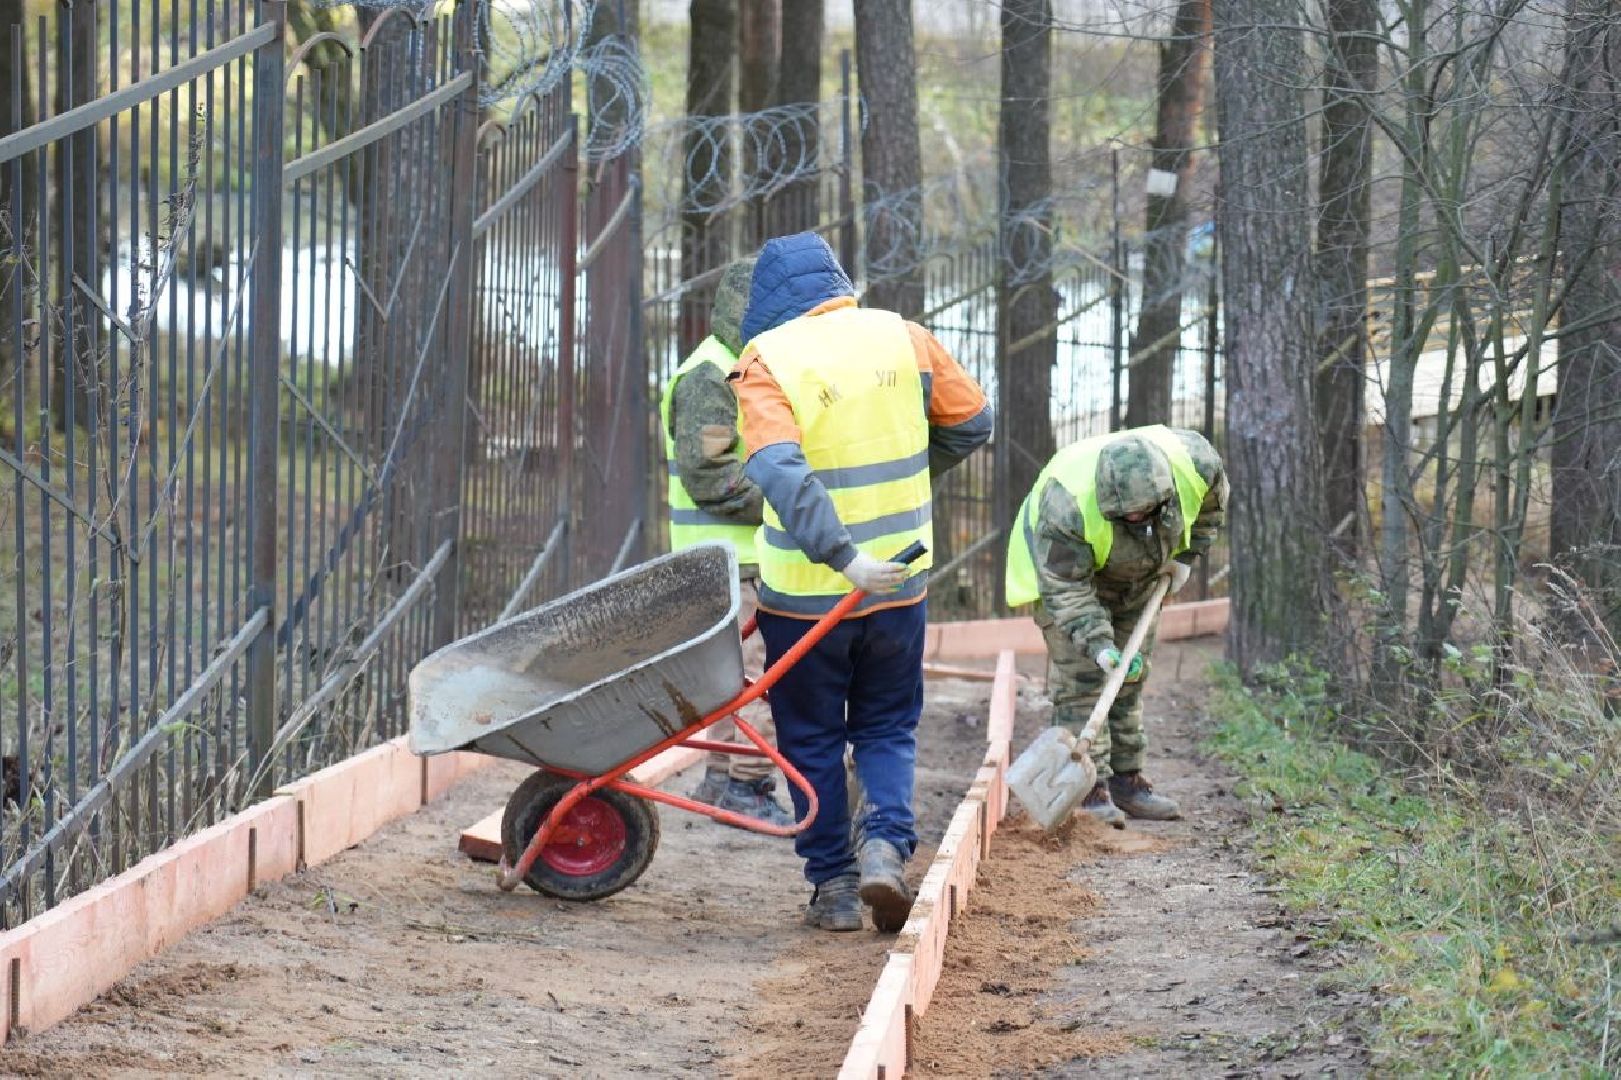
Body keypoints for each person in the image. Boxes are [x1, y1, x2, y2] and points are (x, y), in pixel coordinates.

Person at [730, 232, 993, 932]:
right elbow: (973, 424)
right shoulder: (903, 338)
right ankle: (884, 846)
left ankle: (836, 889)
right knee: (885, 726)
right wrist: (912, 481)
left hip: (804, 598)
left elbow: (778, 468)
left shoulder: (766, 360)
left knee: (811, 737)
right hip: (897, 588)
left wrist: (839, 554)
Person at [1004, 425, 1227, 826]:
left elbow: (1211, 508)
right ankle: (1089, 791)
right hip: (1063, 577)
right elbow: (1068, 590)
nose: (1136, 517)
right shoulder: (1067, 505)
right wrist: (1099, 646)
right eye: (1126, 515)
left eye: (1144, 512)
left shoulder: (1197, 464)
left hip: (1140, 574)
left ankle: (1127, 781)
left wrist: (1186, 556)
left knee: (1131, 674)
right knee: (1084, 680)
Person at [660, 257, 792, 827]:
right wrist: (797, 502)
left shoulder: (731, 367)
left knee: (732, 676)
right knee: (756, 677)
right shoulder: (712, 375)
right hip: (733, 562)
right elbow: (712, 476)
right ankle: (748, 784)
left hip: (732, 561)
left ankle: (721, 779)